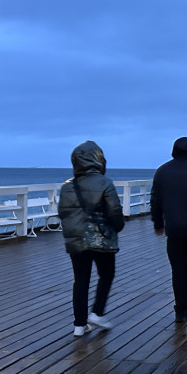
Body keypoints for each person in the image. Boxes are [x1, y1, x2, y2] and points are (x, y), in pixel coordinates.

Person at [57, 140, 126, 337]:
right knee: (106, 274)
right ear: (98, 160)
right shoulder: (105, 183)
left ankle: (79, 325)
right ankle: (97, 312)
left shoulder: (67, 187)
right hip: (101, 239)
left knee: (80, 281)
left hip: (76, 240)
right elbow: (114, 212)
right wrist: (118, 226)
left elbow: (63, 213)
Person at [151, 137, 187, 322]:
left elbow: (155, 200)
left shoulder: (163, 171)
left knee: (178, 271)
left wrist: (158, 223)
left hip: (174, 231)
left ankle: (180, 311)